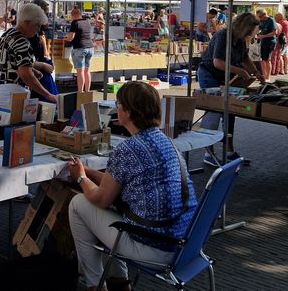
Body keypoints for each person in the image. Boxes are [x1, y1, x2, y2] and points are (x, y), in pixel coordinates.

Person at [67, 81, 197, 291]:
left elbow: (102, 198)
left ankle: (94, 285)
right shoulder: (166, 142)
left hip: (155, 246)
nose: (116, 108)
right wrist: (88, 172)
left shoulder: (127, 149)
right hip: (185, 241)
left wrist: (81, 178)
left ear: (128, 112)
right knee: (110, 213)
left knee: (78, 204)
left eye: (118, 104)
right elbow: (119, 183)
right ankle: (120, 284)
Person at [198, 12, 261, 167]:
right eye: (249, 31)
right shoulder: (222, 36)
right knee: (214, 113)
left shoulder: (239, 39)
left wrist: (256, 72)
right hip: (210, 75)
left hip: (227, 77)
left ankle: (229, 151)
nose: (249, 35)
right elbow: (217, 62)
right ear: (243, 27)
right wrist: (240, 71)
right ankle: (208, 152)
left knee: (230, 112)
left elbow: (245, 57)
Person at [0, 3, 56, 109]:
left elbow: (11, 63)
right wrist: (48, 94)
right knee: (19, 124)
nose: (38, 29)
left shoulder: (7, 34)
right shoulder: (22, 42)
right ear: (27, 23)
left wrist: (33, 70)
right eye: (37, 25)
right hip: (12, 92)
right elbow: (26, 75)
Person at [26, 0, 58, 103]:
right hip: (33, 75)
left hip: (38, 71)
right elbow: (23, 63)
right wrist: (42, 65)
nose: (47, 16)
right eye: (46, 13)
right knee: (43, 102)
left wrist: (45, 50)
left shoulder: (38, 30)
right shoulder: (27, 34)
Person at [66, 7, 94, 93]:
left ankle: (80, 92)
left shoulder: (75, 23)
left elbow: (71, 37)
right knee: (87, 70)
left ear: (73, 15)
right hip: (90, 47)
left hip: (79, 48)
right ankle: (87, 91)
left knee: (80, 71)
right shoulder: (87, 22)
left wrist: (65, 39)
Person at [255, 9, 277, 82]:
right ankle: (263, 76)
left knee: (267, 60)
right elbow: (258, 29)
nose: (260, 18)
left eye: (260, 17)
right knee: (263, 59)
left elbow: (274, 32)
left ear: (264, 14)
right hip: (263, 42)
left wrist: (263, 36)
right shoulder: (262, 21)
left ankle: (268, 77)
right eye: (258, 17)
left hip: (270, 42)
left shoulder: (271, 20)